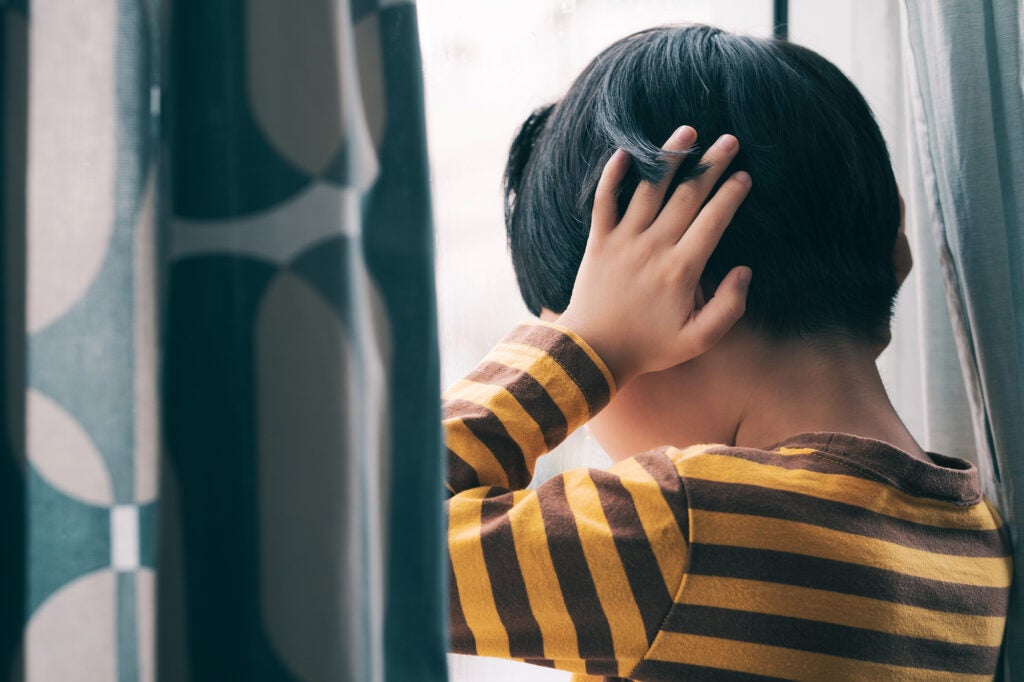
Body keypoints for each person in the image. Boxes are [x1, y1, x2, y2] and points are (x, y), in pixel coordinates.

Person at [443, 24, 1011, 681]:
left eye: (578, 310)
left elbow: (363, 547)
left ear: (681, 298)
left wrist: (590, 347)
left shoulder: (676, 532)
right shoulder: (973, 539)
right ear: (895, 256)